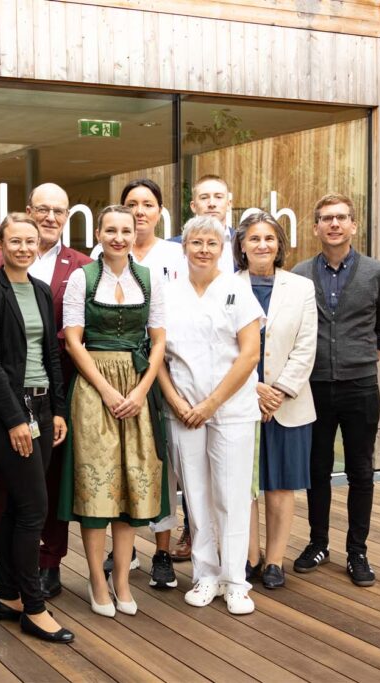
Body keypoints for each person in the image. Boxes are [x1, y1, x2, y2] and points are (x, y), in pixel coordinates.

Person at [0, 183, 91, 599]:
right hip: (8, 393)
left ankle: (49, 563)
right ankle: (5, 561)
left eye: (58, 211)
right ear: (28, 212)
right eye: (42, 209)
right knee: (6, 482)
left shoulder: (79, 264)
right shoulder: (0, 260)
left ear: (67, 217)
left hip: (55, 389)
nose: (50, 217)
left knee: (49, 482)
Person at [60, 205, 168, 618]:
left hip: (137, 386)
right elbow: (74, 340)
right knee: (97, 485)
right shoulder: (82, 277)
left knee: (130, 486)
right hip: (93, 387)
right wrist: (104, 389)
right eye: (111, 230)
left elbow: (157, 340)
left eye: (126, 230)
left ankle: (122, 578)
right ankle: (96, 578)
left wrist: (141, 390)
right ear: (99, 233)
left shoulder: (149, 277)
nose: (119, 237)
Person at [0, 213, 74, 644]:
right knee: (34, 508)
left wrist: (58, 411)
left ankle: (10, 596)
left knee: (18, 506)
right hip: (5, 414)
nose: (24, 248)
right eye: (15, 241)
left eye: (31, 241)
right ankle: (34, 607)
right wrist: (16, 419)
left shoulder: (41, 289)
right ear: (0, 243)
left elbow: (52, 353)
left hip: (41, 405)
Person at [157, 215, 263, 615]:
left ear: (224, 248)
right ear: (184, 247)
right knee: (197, 497)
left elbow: (250, 353)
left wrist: (211, 403)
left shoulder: (237, 289)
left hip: (230, 409)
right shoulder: (168, 292)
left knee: (232, 496)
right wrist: (177, 402)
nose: (203, 249)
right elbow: (158, 357)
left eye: (212, 243)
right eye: (196, 242)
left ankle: (236, 581)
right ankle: (205, 575)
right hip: (183, 410)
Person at [292, 193, 380, 587]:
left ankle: (358, 551)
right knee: (316, 470)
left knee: (361, 471)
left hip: (360, 387)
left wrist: (363, 359)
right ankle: (318, 542)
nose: (334, 224)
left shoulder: (376, 272)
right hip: (314, 386)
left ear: (353, 225)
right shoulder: (300, 273)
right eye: (326, 218)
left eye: (341, 218)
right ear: (316, 227)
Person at [92, 179, 182, 589]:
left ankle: (162, 551)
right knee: (116, 463)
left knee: (154, 462)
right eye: (133, 204)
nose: (140, 211)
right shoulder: (99, 260)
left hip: (168, 369)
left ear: (160, 212)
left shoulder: (175, 255)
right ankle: (119, 552)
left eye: (147, 205)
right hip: (116, 375)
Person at [234, 212, 317, 590]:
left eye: (269, 238)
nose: (262, 245)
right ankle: (249, 558)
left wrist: (278, 391)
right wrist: (254, 388)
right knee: (245, 484)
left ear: (280, 245)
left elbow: (306, 347)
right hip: (239, 400)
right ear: (242, 246)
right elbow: (221, 347)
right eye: (254, 239)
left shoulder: (301, 288)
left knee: (281, 485)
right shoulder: (226, 287)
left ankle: (274, 561)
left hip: (288, 405)